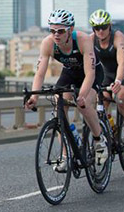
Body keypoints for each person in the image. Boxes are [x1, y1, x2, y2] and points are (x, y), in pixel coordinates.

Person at [25, 9, 108, 171]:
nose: (56, 35)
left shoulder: (83, 39)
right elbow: (40, 73)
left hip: (91, 73)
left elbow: (90, 73)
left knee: (83, 104)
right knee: (59, 106)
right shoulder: (48, 43)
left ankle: (99, 140)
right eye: (52, 30)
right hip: (70, 72)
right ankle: (66, 156)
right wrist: (34, 96)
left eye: (61, 31)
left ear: (70, 30)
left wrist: (82, 95)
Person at [89, 9, 124, 145]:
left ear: (109, 26)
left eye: (104, 27)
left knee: (120, 97)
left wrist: (118, 80)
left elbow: (122, 61)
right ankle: (111, 127)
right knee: (102, 101)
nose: (100, 31)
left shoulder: (118, 37)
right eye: (97, 28)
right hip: (107, 74)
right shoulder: (91, 39)